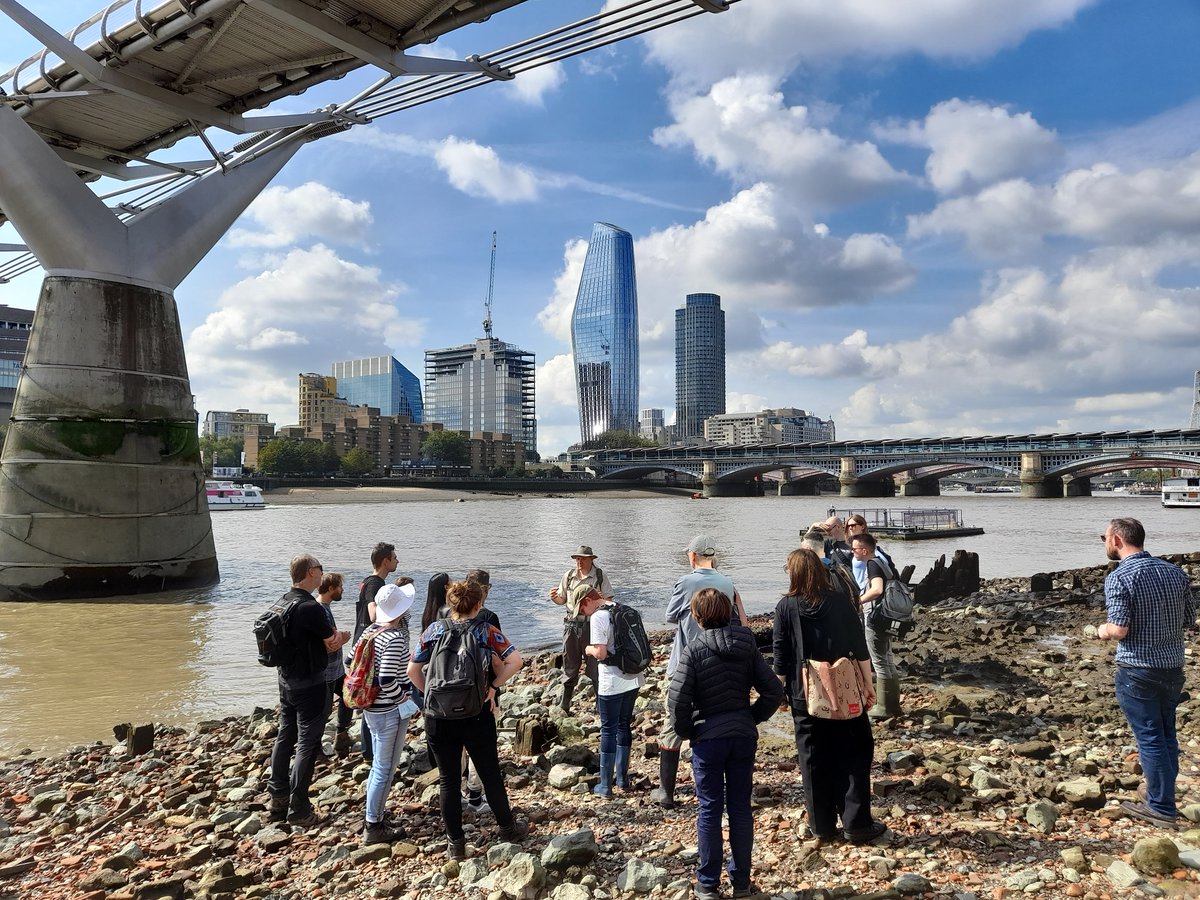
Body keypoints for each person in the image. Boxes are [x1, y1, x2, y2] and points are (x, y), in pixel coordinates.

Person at [669, 588, 782, 900]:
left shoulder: (694, 648)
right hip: (741, 737)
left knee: (709, 809)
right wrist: (751, 718)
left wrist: (688, 730)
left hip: (708, 739)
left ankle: (708, 884)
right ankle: (741, 883)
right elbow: (773, 691)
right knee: (740, 808)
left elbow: (677, 699)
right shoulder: (746, 644)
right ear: (728, 611)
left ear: (698, 616)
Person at [773, 548, 886, 847]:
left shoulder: (786, 607)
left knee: (812, 759)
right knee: (855, 752)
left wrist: (777, 692)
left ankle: (821, 826)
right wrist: (869, 682)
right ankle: (856, 823)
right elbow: (858, 645)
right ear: (821, 571)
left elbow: (781, 655)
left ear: (793, 573)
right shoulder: (840, 601)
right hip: (845, 688)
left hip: (804, 692)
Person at [408, 580, 526, 860]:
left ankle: (455, 844)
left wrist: (431, 696)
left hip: (439, 716)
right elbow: (516, 661)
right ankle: (508, 829)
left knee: (448, 780)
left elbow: (413, 669)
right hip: (476, 712)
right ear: (478, 604)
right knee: (489, 774)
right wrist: (493, 687)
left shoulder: (433, 630)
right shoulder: (486, 631)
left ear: (451, 604)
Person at [1098, 518, 1195, 827]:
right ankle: (1162, 796)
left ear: (1115, 540)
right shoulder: (1174, 572)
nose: (1105, 543)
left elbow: (1120, 628)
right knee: (1167, 735)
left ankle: (1161, 807)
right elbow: (1189, 621)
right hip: (1172, 666)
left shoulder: (1120, 577)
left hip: (1138, 668)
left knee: (1150, 738)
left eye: (1104, 537)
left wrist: (1102, 630)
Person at [652, 534, 749, 808]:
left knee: (673, 725)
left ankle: (666, 792)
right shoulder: (727, 582)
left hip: (685, 661)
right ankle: (717, 786)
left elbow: (670, 616)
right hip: (719, 662)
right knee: (713, 720)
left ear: (693, 556)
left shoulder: (686, 582)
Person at [267, 554, 347, 827]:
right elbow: (332, 644)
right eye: (320, 570)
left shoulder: (283, 601)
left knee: (285, 736)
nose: (323, 574)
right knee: (307, 743)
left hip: (286, 680)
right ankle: (299, 808)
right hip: (311, 682)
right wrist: (344, 638)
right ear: (311, 572)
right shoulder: (310, 607)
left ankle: (277, 796)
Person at [358, 582, 419, 844]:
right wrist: (404, 701)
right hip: (388, 711)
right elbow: (386, 679)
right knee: (385, 767)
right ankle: (374, 825)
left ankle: (375, 814)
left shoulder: (370, 631)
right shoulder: (394, 637)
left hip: (371, 707)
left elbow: (351, 661)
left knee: (379, 766)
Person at [579, 586, 645, 798]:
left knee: (608, 728)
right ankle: (623, 779)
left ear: (589, 600)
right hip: (633, 677)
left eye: (581, 607)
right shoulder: (622, 608)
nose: (582, 612)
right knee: (624, 724)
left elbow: (600, 652)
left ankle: (605, 786)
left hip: (612, 680)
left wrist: (588, 649)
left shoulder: (598, 617)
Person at [548, 545, 612, 715]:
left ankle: (600, 704)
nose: (579, 562)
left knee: (595, 667)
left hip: (593, 625)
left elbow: (609, 601)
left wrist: (599, 599)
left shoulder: (599, 576)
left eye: (583, 558)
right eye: (577, 558)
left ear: (591, 559)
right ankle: (565, 704)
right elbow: (563, 600)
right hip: (571, 625)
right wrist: (554, 598)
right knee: (570, 665)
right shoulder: (569, 576)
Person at [849, 531, 902, 718]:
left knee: (879, 661)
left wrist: (858, 601)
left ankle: (884, 707)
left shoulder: (872, 564)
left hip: (876, 618)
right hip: (888, 617)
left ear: (864, 550)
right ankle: (894, 705)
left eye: (854, 549)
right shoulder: (882, 562)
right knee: (887, 659)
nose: (852, 552)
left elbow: (877, 589)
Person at [355, 543, 398, 762]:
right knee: (371, 698)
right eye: (394, 557)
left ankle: (370, 750)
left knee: (369, 697)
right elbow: (373, 615)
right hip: (370, 649)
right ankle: (370, 752)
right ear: (385, 561)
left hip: (363, 646)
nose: (397, 561)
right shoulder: (375, 584)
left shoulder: (368, 582)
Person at [315, 572, 353, 759]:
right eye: (339, 586)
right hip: (326, 672)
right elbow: (326, 646)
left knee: (349, 695)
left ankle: (341, 734)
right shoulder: (321, 610)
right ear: (330, 589)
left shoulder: (324, 608)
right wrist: (343, 640)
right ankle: (315, 749)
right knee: (324, 711)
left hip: (336, 670)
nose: (342, 590)